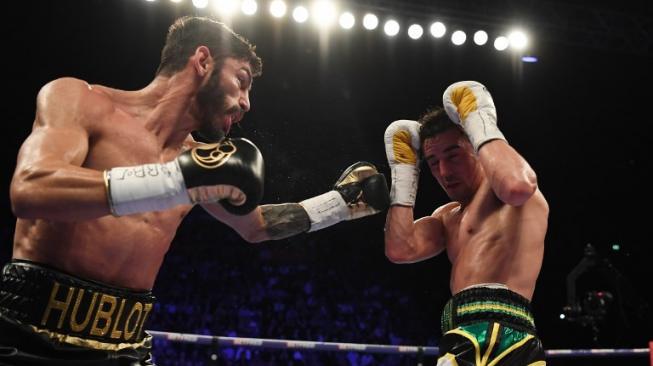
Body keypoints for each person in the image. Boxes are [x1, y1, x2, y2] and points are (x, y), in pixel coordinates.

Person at [2, 16, 389, 365]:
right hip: (29, 335)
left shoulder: (201, 163)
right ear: (203, 61)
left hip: (125, 346)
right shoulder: (81, 100)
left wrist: (338, 205)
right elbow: (31, 187)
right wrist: (176, 181)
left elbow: (253, 226)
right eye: (241, 80)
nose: (246, 103)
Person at [383, 80, 549, 365]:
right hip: (461, 332)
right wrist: (404, 172)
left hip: (503, 334)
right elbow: (400, 249)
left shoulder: (507, 191)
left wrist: (477, 120)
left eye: (453, 155)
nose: (444, 172)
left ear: (474, 146)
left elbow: (517, 186)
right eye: (433, 162)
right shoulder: (446, 216)